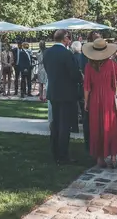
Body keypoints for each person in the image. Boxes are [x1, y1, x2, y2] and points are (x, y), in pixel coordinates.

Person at [42, 29, 83, 165]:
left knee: (56, 123)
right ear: (64, 38)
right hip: (66, 93)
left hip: (54, 91)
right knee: (65, 125)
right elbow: (74, 74)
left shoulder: (47, 53)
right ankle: (63, 155)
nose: (70, 40)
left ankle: (55, 152)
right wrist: (80, 77)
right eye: (68, 37)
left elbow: (48, 70)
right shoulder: (66, 54)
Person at [82, 38, 117, 168]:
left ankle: (100, 158)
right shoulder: (111, 64)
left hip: (95, 99)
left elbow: (87, 87)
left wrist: (86, 102)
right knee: (111, 125)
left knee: (97, 127)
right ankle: (113, 158)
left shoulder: (88, 66)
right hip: (109, 98)